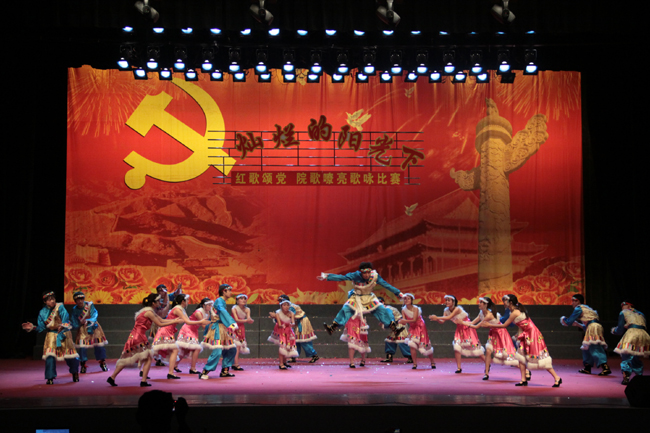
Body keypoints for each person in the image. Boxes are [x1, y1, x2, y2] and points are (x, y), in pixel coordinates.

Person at [481, 294, 562, 387]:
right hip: (525, 334)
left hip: (532, 334)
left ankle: (557, 377)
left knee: (540, 358)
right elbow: (520, 325)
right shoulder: (514, 311)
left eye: (505, 301)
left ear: (510, 302)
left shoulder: (515, 312)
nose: (504, 303)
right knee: (520, 357)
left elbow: (504, 325)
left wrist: (489, 325)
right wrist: (518, 335)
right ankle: (523, 380)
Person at [106, 293, 182, 387]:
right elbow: (160, 324)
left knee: (127, 358)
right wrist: (174, 321)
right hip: (139, 337)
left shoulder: (149, 311)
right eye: (158, 301)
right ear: (153, 303)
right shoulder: (149, 312)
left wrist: (174, 320)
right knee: (148, 358)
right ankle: (143, 381)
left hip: (135, 336)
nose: (160, 302)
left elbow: (162, 320)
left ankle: (112, 377)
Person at [319, 262, 405, 336]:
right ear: (361, 272)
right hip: (357, 298)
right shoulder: (355, 275)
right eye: (364, 273)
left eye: (368, 272)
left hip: (369, 298)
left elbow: (386, 285)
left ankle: (394, 329)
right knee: (346, 308)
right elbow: (342, 277)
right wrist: (327, 277)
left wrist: (399, 293)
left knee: (381, 309)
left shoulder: (375, 276)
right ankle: (332, 328)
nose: (367, 275)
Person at [22, 291, 80, 385]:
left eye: (53, 299)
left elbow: (65, 318)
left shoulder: (60, 307)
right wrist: (33, 327)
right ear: (45, 302)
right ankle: (50, 377)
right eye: (49, 300)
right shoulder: (42, 312)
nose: (52, 301)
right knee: (50, 356)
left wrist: (63, 325)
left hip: (63, 333)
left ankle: (75, 372)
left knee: (70, 356)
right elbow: (41, 328)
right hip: (51, 335)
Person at [152, 294, 210, 379]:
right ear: (183, 301)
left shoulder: (181, 309)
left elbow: (188, 320)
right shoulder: (178, 309)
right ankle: (171, 372)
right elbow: (188, 322)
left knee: (174, 350)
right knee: (159, 350)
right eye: (187, 300)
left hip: (169, 331)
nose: (188, 302)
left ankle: (171, 372)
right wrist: (201, 322)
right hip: (166, 331)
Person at [461, 297, 518, 380]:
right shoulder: (481, 313)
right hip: (493, 333)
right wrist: (463, 323)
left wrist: (462, 323)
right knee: (488, 351)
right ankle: (486, 373)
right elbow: (472, 323)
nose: (479, 303)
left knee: (507, 355)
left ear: (486, 305)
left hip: (500, 334)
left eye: (481, 302)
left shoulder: (489, 315)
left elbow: (476, 326)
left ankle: (526, 371)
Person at [429, 295, 485, 373]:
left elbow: (449, 317)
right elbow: (442, 321)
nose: (447, 302)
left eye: (449, 300)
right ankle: (459, 368)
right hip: (459, 329)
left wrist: (437, 317)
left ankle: (487, 362)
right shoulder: (446, 310)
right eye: (446, 300)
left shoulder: (457, 309)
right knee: (457, 347)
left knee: (475, 349)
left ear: (453, 302)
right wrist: (436, 319)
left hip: (467, 327)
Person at [560, 294, 611, 376]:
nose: (572, 303)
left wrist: (564, 320)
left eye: (573, 301)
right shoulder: (587, 308)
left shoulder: (578, 308)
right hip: (594, 327)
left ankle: (605, 367)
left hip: (592, 328)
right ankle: (587, 367)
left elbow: (569, 322)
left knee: (594, 346)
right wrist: (578, 324)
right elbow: (587, 326)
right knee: (586, 347)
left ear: (577, 301)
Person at [200, 284, 239, 380]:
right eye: (229, 290)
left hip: (223, 328)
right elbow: (222, 311)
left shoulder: (222, 301)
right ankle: (205, 371)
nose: (231, 293)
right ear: (224, 291)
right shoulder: (219, 301)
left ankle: (225, 371)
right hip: (217, 328)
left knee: (231, 349)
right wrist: (231, 323)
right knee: (217, 351)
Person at [611, 300, 650, 385]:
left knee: (626, 356)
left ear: (628, 306)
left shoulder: (623, 312)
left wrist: (614, 330)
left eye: (623, 306)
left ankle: (626, 377)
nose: (622, 308)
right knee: (636, 356)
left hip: (632, 334)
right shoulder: (641, 313)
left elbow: (620, 330)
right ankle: (639, 376)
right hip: (643, 334)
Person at [70, 291, 109, 373]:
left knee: (99, 345)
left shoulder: (89, 305)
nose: (80, 301)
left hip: (93, 327)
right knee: (82, 347)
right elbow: (74, 320)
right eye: (78, 300)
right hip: (83, 329)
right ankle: (83, 365)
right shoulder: (75, 309)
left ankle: (102, 362)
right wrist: (77, 324)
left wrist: (89, 320)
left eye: (81, 299)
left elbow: (94, 314)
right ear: (75, 301)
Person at [278, 294, 320, 364]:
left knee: (304, 340)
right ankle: (293, 356)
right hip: (297, 323)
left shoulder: (290, 307)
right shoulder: (287, 307)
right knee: (295, 340)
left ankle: (314, 355)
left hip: (302, 323)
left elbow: (289, 316)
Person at [177, 297, 213, 375]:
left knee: (185, 350)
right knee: (197, 348)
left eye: (211, 305)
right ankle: (192, 368)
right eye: (209, 305)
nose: (210, 306)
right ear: (203, 305)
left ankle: (175, 365)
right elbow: (204, 326)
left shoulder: (208, 313)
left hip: (193, 331)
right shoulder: (199, 312)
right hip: (187, 330)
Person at [399, 294, 436, 370]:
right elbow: (405, 322)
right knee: (412, 344)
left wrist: (404, 321)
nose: (406, 300)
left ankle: (432, 362)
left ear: (411, 300)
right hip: (412, 328)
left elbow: (414, 320)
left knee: (425, 344)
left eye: (408, 299)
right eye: (405, 299)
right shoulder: (403, 310)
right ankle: (415, 363)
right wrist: (401, 322)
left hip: (420, 326)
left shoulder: (416, 308)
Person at [151, 283, 183, 368]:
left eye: (163, 291)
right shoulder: (156, 300)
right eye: (160, 291)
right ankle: (156, 359)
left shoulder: (167, 296)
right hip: (158, 323)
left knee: (164, 342)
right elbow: (163, 305)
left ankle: (161, 359)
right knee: (158, 342)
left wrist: (178, 289)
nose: (162, 292)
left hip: (166, 323)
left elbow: (176, 294)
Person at [377, 296, 412, 364]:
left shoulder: (388, 309)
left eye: (380, 302)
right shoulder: (382, 310)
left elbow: (391, 319)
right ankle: (389, 357)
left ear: (383, 302)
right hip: (395, 326)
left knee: (401, 341)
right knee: (390, 341)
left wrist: (385, 323)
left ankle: (410, 356)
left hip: (400, 325)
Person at [268, 299, 299, 370]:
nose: (286, 307)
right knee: (282, 346)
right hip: (281, 331)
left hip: (288, 331)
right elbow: (279, 325)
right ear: (281, 306)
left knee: (288, 345)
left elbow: (293, 323)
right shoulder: (278, 313)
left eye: (287, 305)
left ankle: (285, 362)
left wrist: (292, 324)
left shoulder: (291, 313)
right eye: (284, 305)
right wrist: (283, 325)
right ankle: (281, 363)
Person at [231, 294, 254, 370]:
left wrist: (250, 321)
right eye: (241, 299)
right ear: (237, 301)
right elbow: (236, 320)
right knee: (236, 346)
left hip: (241, 328)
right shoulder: (234, 308)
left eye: (245, 299)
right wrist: (247, 320)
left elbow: (248, 319)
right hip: (233, 328)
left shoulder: (247, 309)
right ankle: (235, 364)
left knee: (239, 346)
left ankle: (234, 363)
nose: (243, 300)